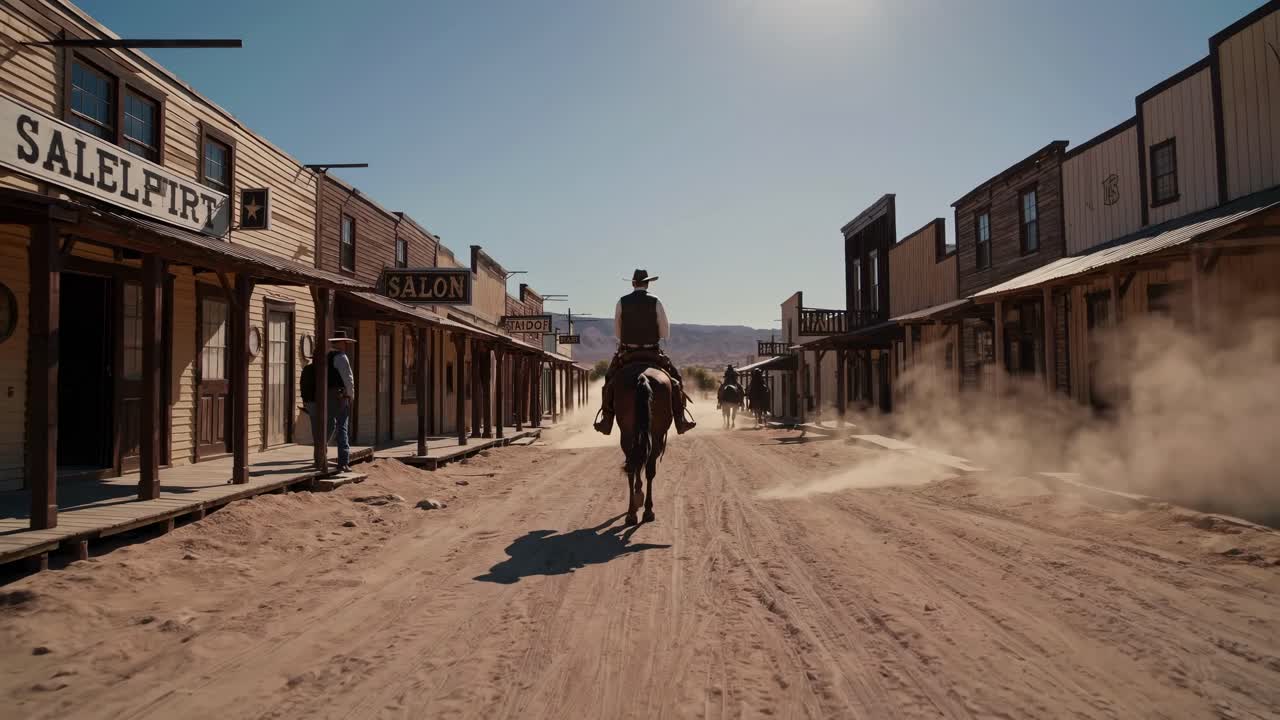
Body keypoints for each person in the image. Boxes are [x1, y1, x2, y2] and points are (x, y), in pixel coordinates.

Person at [594, 269, 696, 435]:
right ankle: (680, 420)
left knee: (609, 381)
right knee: (676, 381)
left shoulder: (622, 301)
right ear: (648, 283)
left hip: (628, 352)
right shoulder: (656, 301)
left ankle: (606, 421)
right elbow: (665, 332)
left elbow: (617, 332)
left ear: (633, 283)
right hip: (652, 352)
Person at [300, 333, 357, 471]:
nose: (345, 345)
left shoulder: (322, 357)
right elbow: (348, 378)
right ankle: (343, 461)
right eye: (344, 342)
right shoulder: (341, 357)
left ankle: (320, 456)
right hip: (339, 395)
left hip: (322, 394)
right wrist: (350, 395)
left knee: (327, 426)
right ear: (340, 343)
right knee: (342, 427)